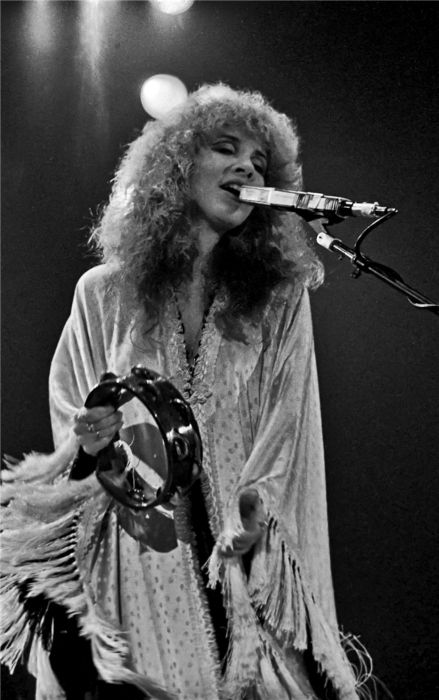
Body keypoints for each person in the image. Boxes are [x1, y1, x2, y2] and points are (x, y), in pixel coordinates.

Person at [1, 84, 371, 700]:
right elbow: (72, 419)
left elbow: (290, 420)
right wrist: (92, 444)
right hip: (135, 555)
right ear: (176, 166)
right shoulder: (102, 293)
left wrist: (257, 511)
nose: (247, 167)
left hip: (240, 562)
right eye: (226, 149)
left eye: (259, 160)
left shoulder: (279, 299)